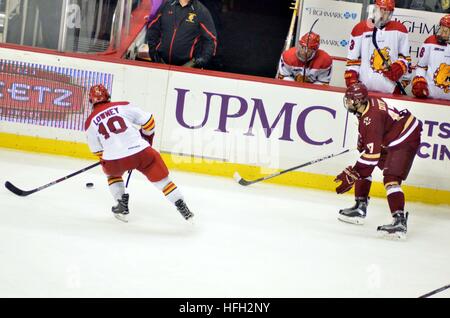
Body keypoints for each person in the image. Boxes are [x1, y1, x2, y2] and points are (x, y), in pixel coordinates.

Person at [84, 84, 194, 223]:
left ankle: (121, 204)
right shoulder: (123, 106)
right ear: (108, 96)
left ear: (90, 101)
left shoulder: (89, 122)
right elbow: (149, 122)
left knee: (113, 175)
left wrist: (116, 157)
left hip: (114, 160)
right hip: (142, 152)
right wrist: (146, 139)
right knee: (163, 182)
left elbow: (98, 151)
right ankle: (182, 206)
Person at [334, 83, 422, 240]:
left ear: (359, 101)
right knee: (364, 161)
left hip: (406, 138)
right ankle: (360, 207)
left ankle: (399, 221)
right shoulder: (368, 106)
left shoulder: (372, 119)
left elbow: (372, 156)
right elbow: (371, 135)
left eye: (350, 100)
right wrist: (363, 142)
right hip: (393, 135)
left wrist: (353, 174)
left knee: (391, 179)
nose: (347, 103)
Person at [345, 0, 411, 95]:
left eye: (388, 11)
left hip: (390, 91)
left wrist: (400, 67)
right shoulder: (359, 28)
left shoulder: (400, 29)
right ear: (375, 8)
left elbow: (405, 59)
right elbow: (353, 61)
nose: (385, 14)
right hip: (364, 91)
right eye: (382, 10)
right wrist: (353, 81)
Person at [145, 0, 218, 68]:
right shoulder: (166, 6)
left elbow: (211, 39)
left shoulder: (201, 11)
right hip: (162, 65)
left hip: (187, 68)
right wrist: (153, 52)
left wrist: (202, 60)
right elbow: (153, 29)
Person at [411, 14, 449, 100]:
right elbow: (421, 66)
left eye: (445, 31)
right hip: (429, 96)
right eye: (441, 29)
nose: (441, 33)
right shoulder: (430, 41)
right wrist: (420, 80)